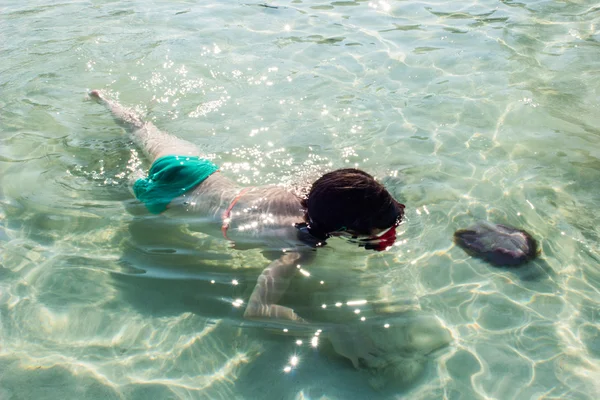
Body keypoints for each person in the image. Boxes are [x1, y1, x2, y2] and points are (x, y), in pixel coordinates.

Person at [89, 90, 405, 367]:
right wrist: (329, 331)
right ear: (347, 228)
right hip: (171, 201)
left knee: (141, 129)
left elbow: (342, 192)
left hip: (191, 168)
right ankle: (122, 167)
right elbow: (257, 309)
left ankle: (103, 98)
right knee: (124, 182)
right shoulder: (297, 252)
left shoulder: (301, 194)